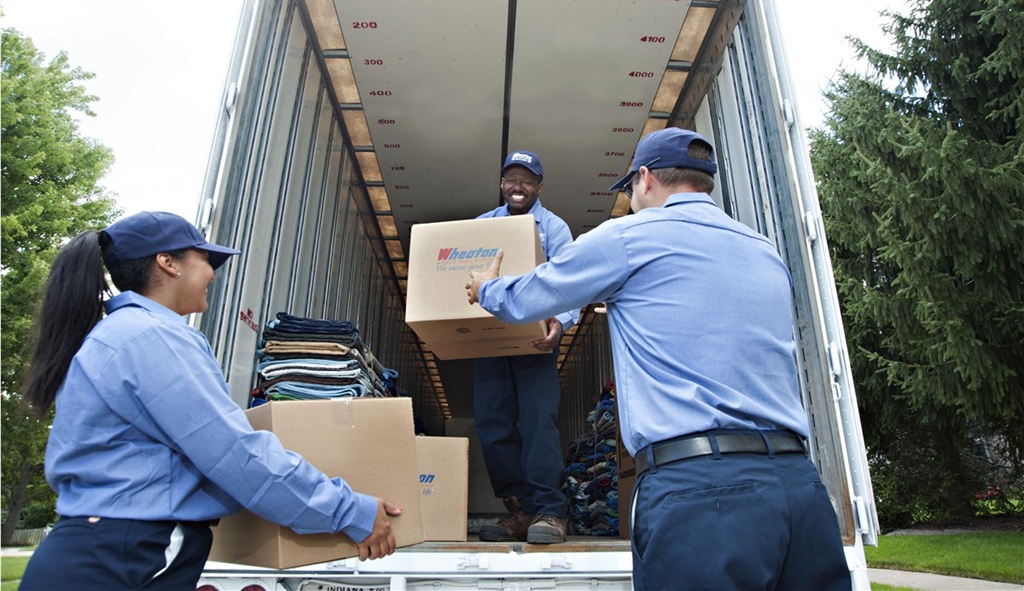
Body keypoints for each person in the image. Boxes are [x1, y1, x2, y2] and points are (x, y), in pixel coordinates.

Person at [466, 129, 851, 589]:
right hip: (799, 489)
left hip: (702, 493)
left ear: (645, 178)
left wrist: (486, 288)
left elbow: (531, 297)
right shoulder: (764, 250)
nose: (630, 199)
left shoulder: (630, 237)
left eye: (629, 189)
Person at [20, 211, 402, 591]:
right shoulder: (151, 338)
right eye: (205, 260)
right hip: (122, 559)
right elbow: (236, 455)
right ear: (167, 263)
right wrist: (351, 510)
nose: (213, 274)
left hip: (102, 552)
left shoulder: (122, 334)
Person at [472, 150, 579, 544]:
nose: (518, 186)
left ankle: (551, 509)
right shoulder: (482, 226)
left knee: (538, 421)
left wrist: (561, 323)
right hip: (491, 339)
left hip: (535, 341)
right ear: (502, 184)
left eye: (526, 180)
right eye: (511, 179)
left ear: (539, 186)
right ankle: (521, 509)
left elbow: (572, 282)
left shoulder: (554, 228)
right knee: (492, 421)